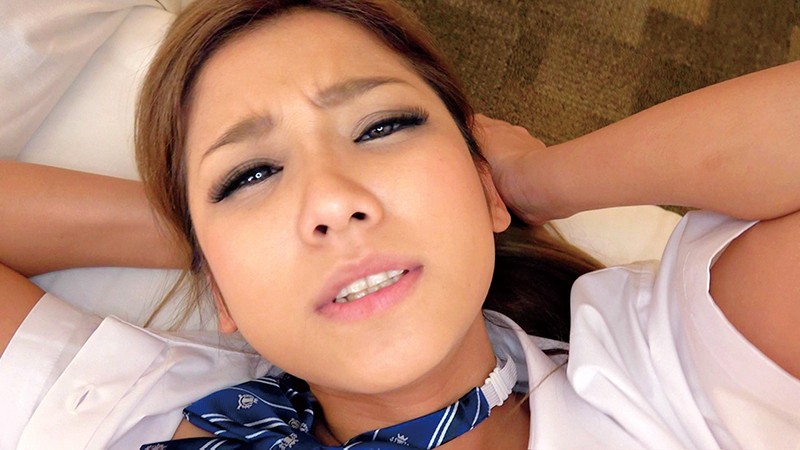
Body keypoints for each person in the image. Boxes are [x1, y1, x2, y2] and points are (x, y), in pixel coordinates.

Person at [0, 0, 797, 448]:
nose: (330, 200)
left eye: (381, 127)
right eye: (250, 175)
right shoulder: (128, 404)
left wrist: (535, 179)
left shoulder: (665, 377)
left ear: (482, 188)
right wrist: (233, 253)